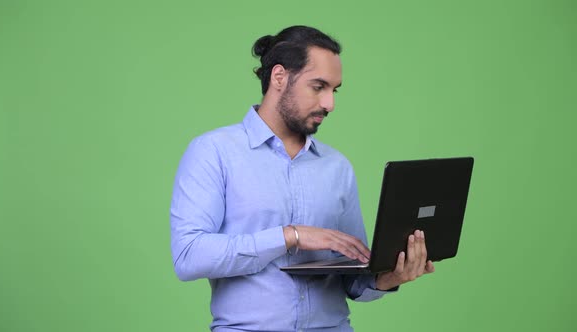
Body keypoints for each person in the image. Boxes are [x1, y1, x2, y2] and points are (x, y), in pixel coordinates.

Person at [170, 25, 435, 332]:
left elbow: (353, 278)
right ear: (279, 77)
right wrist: (290, 235)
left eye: (334, 90)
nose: (329, 104)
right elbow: (189, 256)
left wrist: (390, 277)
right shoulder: (213, 152)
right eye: (318, 86)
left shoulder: (337, 167)